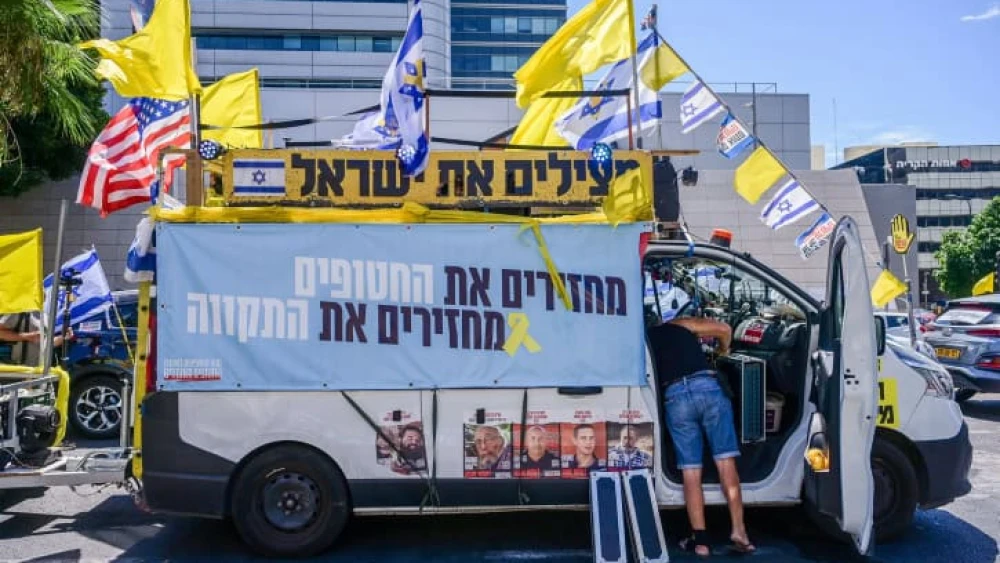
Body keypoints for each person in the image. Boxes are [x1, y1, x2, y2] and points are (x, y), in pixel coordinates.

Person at [647, 316, 755, 557]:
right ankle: (739, 531)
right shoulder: (679, 324)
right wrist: (723, 350)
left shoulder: (645, 340)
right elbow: (724, 329)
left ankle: (701, 541)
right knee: (726, 462)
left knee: (690, 470)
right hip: (707, 388)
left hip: (675, 396)